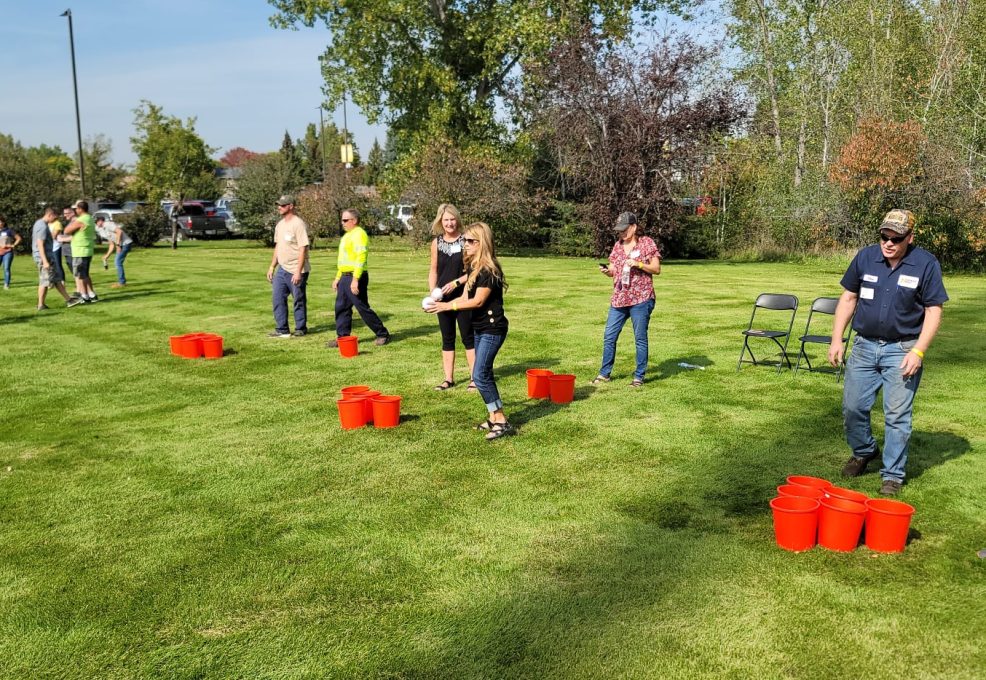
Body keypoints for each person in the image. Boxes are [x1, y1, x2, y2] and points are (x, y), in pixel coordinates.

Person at [828, 209, 948, 496]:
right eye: (884, 236)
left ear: (910, 237)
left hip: (903, 349)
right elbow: (848, 298)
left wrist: (918, 351)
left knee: (897, 415)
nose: (889, 243)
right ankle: (864, 451)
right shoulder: (866, 257)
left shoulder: (925, 264)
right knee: (853, 408)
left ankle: (892, 475)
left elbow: (934, 310)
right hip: (864, 347)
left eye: (896, 238)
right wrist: (837, 340)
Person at [428, 222, 512, 440]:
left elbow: (477, 301)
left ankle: (501, 420)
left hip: (493, 329)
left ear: (481, 243)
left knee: (479, 375)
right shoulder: (474, 268)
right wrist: (440, 303)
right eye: (464, 240)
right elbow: (465, 298)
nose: (465, 245)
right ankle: (494, 417)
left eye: (470, 241)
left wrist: (448, 306)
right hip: (480, 327)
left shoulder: (489, 270)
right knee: (484, 374)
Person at [591, 212, 662, 387]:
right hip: (620, 299)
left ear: (634, 227)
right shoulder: (617, 246)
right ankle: (604, 374)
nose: (621, 233)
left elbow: (656, 268)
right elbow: (614, 269)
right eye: (619, 230)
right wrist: (608, 271)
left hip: (641, 298)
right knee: (609, 336)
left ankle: (639, 376)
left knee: (639, 337)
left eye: (624, 229)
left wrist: (639, 264)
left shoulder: (647, 243)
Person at [428, 203, 476, 390]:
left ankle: (474, 379)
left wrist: (457, 282)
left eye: (452, 219)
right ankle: (448, 379)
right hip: (442, 300)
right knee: (447, 338)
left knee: (468, 337)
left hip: (463, 296)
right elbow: (433, 270)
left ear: (458, 219)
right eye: (446, 220)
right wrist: (433, 292)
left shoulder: (467, 240)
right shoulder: (436, 243)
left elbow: (474, 271)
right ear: (441, 221)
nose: (450, 223)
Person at [326, 208, 390, 347]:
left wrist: (355, 279)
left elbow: (361, 258)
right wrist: (338, 278)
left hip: (356, 277)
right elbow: (343, 260)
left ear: (354, 221)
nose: (342, 223)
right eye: (342, 220)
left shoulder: (359, 234)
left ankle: (382, 333)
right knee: (341, 307)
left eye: (345, 220)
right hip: (344, 276)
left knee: (362, 307)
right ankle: (342, 337)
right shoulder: (346, 236)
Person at [266, 194, 310, 338]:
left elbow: (303, 248)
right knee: (277, 298)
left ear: (291, 206)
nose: (279, 207)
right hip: (282, 268)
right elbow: (278, 246)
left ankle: (301, 328)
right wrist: (272, 266)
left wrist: (298, 271)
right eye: (279, 205)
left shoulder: (298, 224)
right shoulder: (280, 225)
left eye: (283, 205)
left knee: (298, 299)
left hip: (297, 270)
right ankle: (282, 329)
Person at [31, 208, 72, 310]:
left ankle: (68, 300)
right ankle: (41, 304)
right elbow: (40, 243)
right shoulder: (42, 226)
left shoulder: (39, 223)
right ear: (50, 214)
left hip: (46, 256)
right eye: (55, 217)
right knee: (45, 280)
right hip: (44, 257)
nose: (55, 219)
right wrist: (45, 261)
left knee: (55, 279)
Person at [62, 200, 99, 303]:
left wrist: (73, 223)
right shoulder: (90, 218)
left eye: (76, 209)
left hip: (80, 250)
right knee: (85, 274)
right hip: (87, 249)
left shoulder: (82, 219)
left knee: (80, 274)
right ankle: (91, 294)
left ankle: (84, 296)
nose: (75, 211)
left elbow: (66, 231)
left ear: (80, 209)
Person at [99, 215, 133, 288]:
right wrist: (106, 256)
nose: (96, 224)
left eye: (96, 222)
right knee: (118, 262)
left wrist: (118, 245)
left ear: (100, 221)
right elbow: (111, 245)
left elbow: (119, 232)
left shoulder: (107, 224)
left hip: (125, 244)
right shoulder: (104, 229)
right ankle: (122, 282)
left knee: (118, 262)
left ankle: (122, 283)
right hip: (121, 245)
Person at [0, 216, 23, 290]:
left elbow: (19, 238)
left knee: (6, 268)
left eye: (0, 221)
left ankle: (6, 284)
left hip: (8, 252)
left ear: (3, 222)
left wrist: (13, 245)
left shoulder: (8, 231)